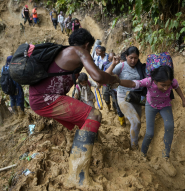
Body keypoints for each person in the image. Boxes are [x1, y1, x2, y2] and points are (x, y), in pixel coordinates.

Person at [28, 29, 119, 188]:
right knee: (94, 115)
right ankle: (77, 174)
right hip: (45, 98)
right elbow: (98, 76)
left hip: (40, 97)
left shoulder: (64, 51)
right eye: (89, 48)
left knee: (84, 121)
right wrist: (113, 79)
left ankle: (94, 148)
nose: (89, 52)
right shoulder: (79, 51)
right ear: (87, 45)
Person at [118, 65, 185, 177]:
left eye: (168, 85)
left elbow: (177, 87)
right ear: (155, 81)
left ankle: (165, 157)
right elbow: (133, 84)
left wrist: (183, 100)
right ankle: (143, 153)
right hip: (150, 106)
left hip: (165, 106)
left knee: (170, 127)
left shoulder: (172, 81)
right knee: (150, 133)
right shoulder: (149, 81)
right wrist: (118, 81)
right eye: (163, 85)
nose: (166, 88)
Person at [105, 46, 145, 150]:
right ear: (126, 56)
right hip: (123, 96)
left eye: (136, 58)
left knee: (137, 122)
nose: (133, 60)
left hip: (136, 97)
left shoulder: (140, 67)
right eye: (131, 57)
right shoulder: (121, 66)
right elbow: (105, 76)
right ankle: (134, 146)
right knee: (136, 122)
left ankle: (134, 137)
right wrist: (113, 64)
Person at [103, 53, 126, 125]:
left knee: (118, 104)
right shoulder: (107, 66)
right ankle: (121, 120)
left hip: (118, 89)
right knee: (110, 101)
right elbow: (104, 77)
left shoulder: (124, 67)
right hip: (110, 88)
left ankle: (122, 120)